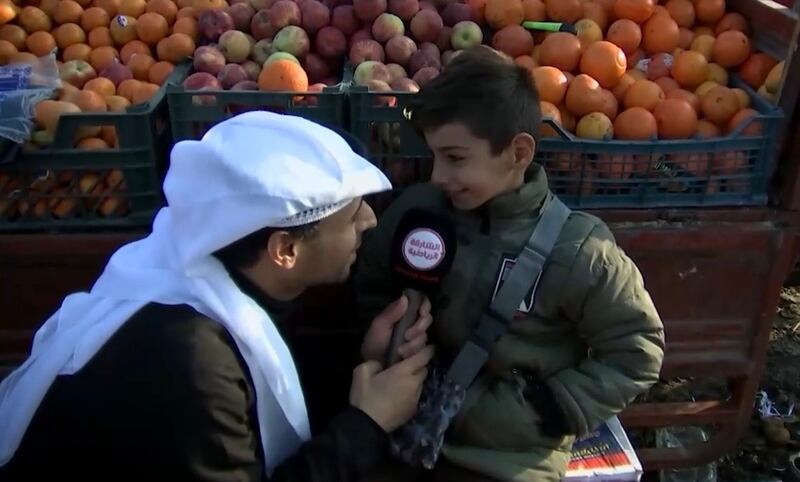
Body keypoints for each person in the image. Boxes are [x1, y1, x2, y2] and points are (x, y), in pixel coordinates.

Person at [0, 111, 435, 482]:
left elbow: (270, 379)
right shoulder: (192, 364)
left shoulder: (200, 267)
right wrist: (367, 426)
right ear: (285, 250)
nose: (371, 222)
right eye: (353, 213)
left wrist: (363, 362)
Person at [354, 47, 665, 482]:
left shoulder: (578, 249)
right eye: (434, 156)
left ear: (519, 153)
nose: (438, 175)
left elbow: (638, 349)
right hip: (400, 433)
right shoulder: (418, 211)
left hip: (507, 459)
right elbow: (369, 283)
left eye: (456, 158)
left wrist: (547, 410)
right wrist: (385, 336)